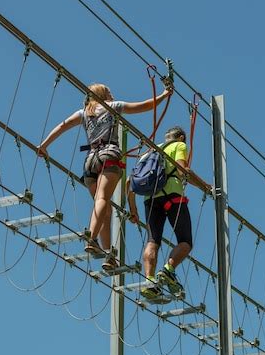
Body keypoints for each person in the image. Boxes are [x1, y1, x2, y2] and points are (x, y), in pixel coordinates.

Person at [37, 83, 172, 270]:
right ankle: (91, 238)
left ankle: (108, 255)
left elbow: (62, 126)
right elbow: (144, 106)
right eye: (109, 91)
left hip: (90, 161)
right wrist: (164, 95)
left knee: (105, 209)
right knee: (102, 199)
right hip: (108, 155)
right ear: (103, 94)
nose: (112, 93)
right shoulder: (113, 106)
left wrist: (44, 145)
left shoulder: (83, 113)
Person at [126, 125, 212, 300]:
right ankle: (168, 270)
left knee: (152, 240)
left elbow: (130, 182)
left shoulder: (149, 152)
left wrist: (133, 209)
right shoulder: (179, 146)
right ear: (180, 137)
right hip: (173, 196)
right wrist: (205, 187)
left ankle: (149, 280)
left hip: (150, 199)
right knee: (185, 241)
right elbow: (183, 171)